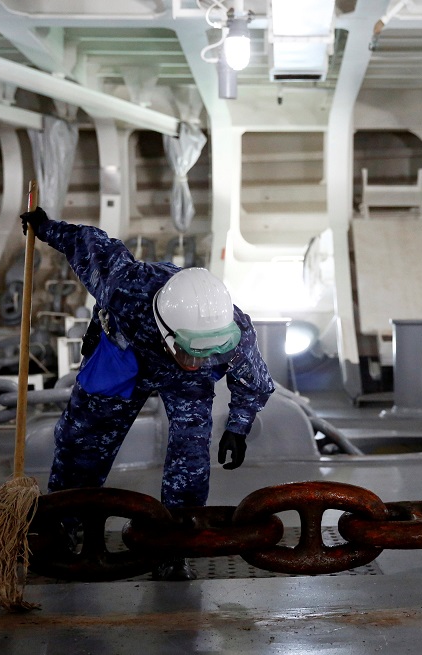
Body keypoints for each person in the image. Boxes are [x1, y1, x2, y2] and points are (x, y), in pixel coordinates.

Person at [20, 207, 275, 580]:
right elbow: (86, 242)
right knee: (84, 440)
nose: (196, 359)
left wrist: (238, 426)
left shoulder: (232, 331)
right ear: (168, 331)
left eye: (206, 352)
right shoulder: (125, 286)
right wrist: (45, 228)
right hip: (125, 352)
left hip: (182, 380)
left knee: (191, 452)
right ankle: (64, 526)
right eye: (189, 350)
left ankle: (174, 543)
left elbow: (252, 381)